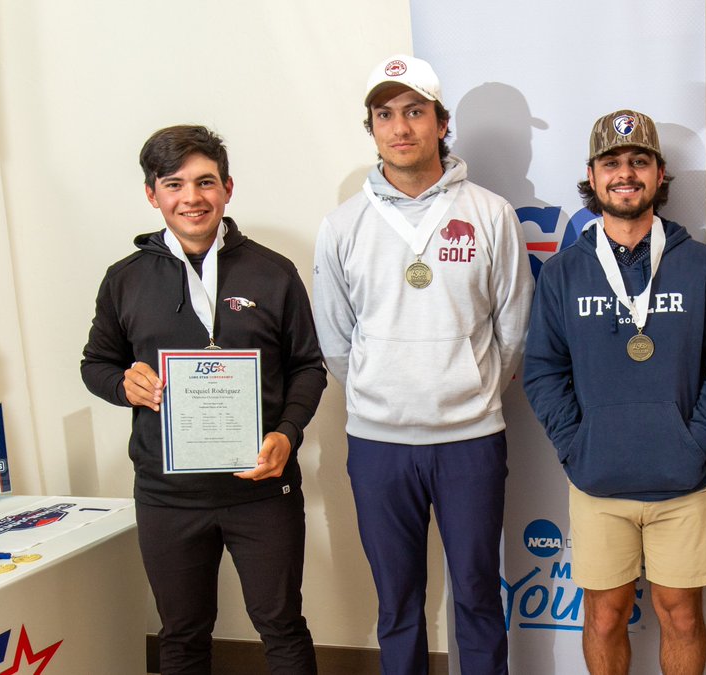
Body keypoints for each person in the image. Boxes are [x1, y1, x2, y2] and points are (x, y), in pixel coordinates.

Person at [311, 53, 533, 675]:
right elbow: (335, 339)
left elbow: (512, 328)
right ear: (373, 128)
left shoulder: (491, 214)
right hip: (379, 443)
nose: (400, 127)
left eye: (414, 111)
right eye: (385, 115)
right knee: (398, 604)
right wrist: (386, 388)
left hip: (469, 439)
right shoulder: (343, 225)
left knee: (477, 595)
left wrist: (470, 386)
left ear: (440, 122)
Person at [81, 125, 326, 674]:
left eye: (205, 182)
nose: (191, 198)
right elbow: (95, 365)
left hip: (262, 490)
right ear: (153, 194)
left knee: (282, 626)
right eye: (174, 184)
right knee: (182, 635)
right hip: (168, 496)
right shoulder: (125, 280)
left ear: (228, 188)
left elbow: (309, 366)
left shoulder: (273, 272)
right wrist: (124, 385)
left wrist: (287, 434)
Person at [523, 109, 706, 675]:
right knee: (603, 616)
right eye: (612, 163)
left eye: (638, 161)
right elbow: (543, 371)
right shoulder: (564, 273)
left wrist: (695, 440)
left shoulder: (703, 266)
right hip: (599, 480)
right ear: (593, 176)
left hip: (682, 481)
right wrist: (578, 445)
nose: (626, 173)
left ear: (660, 173)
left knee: (682, 617)